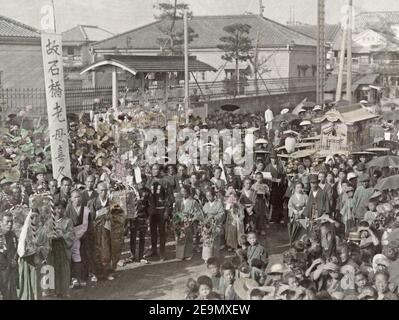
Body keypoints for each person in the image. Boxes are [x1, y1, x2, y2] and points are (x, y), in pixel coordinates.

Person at [46, 201, 74, 297]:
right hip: (53, 248)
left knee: (64, 268)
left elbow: (71, 234)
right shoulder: (50, 222)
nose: (59, 210)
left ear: (65, 209)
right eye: (57, 208)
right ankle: (55, 291)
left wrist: (62, 235)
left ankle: (65, 291)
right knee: (54, 268)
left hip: (63, 247)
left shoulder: (68, 221)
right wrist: (51, 236)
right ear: (54, 210)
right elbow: (46, 234)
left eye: (62, 208)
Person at [66, 190, 90, 287]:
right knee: (71, 257)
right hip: (71, 237)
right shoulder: (68, 209)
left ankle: (82, 277)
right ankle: (73, 278)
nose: (77, 199)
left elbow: (89, 225)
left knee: (83, 256)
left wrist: (85, 234)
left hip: (84, 237)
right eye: (75, 197)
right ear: (71, 199)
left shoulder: (86, 210)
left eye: (79, 197)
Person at [173, 185, 204, 261]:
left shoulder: (193, 202)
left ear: (188, 192)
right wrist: (178, 218)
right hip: (180, 220)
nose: (183, 193)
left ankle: (188, 254)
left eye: (185, 192)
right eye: (182, 192)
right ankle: (180, 255)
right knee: (180, 237)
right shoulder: (178, 201)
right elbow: (175, 211)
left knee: (189, 238)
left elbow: (198, 213)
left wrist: (192, 219)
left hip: (188, 221)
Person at [127, 187, 150, 263]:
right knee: (133, 237)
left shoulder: (146, 192)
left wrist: (147, 217)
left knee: (142, 237)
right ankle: (132, 255)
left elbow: (148, 206)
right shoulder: (130, 192)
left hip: (142, 217)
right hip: (133, 218)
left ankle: (141, 255)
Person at [0, 213, 18, 300]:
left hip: (10, 272)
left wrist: (15, 260)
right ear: (1, 222)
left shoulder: (13, 235)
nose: (10, 224)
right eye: (7, 222)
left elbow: (16, 250)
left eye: (11, 221)